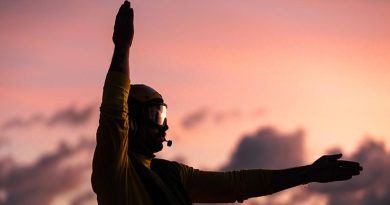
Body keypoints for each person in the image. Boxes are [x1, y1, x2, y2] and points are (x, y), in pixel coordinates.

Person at [91, 1, 363, 204]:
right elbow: (114, 113)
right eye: (156, 115)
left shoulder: (173, 175)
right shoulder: (114, 171)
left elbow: (236, 184)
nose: (165, 127)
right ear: (133, 123)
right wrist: (122, 48)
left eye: (164, 115)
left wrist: (308, 173)